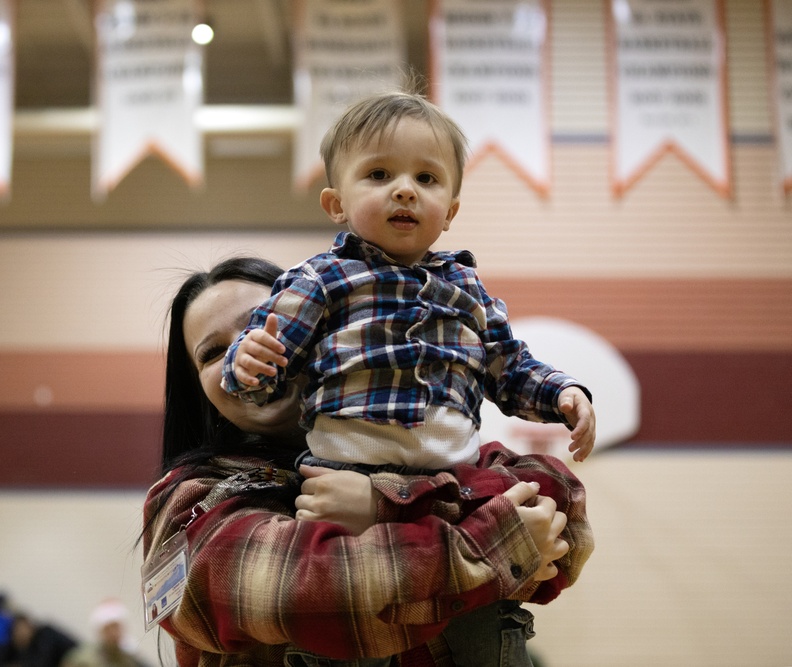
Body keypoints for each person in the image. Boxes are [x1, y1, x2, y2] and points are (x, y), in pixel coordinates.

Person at [142, 257, 594, 666]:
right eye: (212, 353)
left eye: (262, 324)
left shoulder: (423, 442)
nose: (245, 354)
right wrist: (498, 542)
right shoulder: (187, 500)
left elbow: (562, 506)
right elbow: (302, 594)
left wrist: (385, 505)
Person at [222, 89, 596, 478]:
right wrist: (249, 363)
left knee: (553, 482)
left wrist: (562, 393)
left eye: (426, 177)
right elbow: (263, 370)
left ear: (449, 212)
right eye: (379, 174)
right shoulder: (321, 279)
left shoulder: (466, 288)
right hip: (344, 470)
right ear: (337, 204)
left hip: (450, 478)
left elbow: (510, 367)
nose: (405, 189)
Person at [60, 599, 150, 667]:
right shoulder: (84, 658)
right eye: (108, 629)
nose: (113, 633)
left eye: (116, 627)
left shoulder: (129, 659)